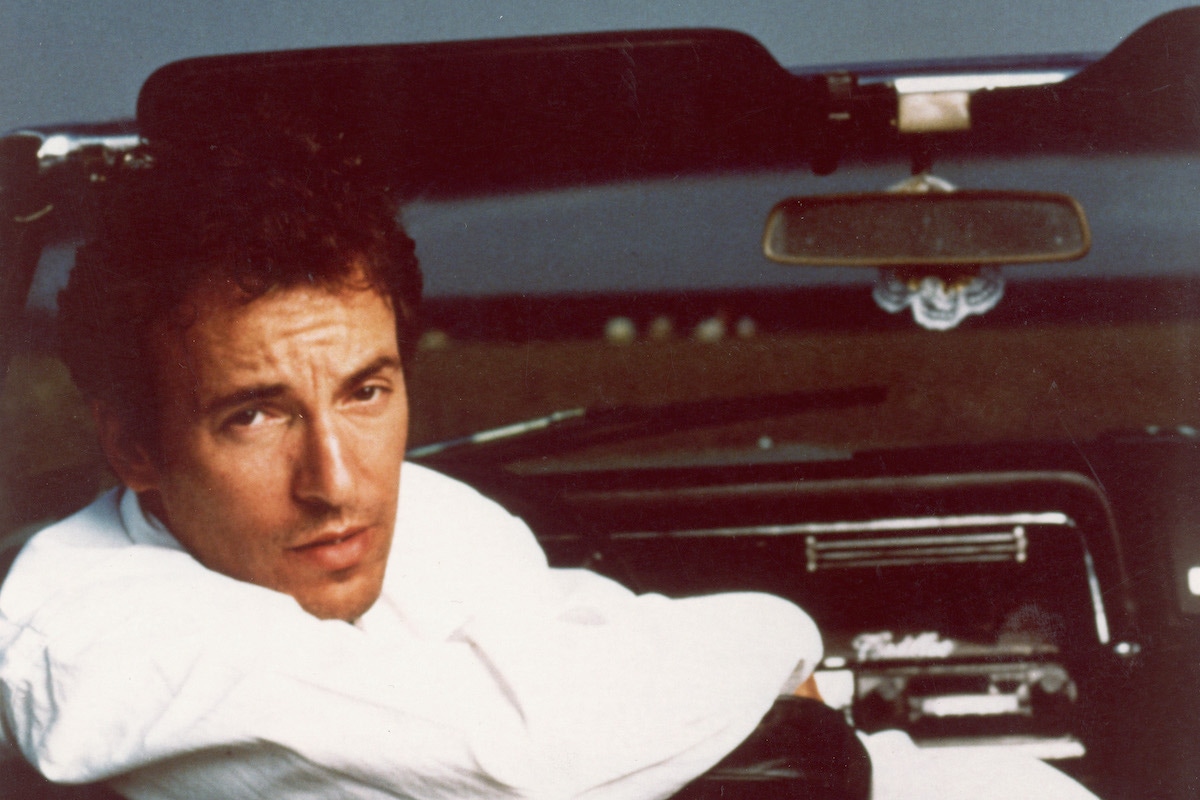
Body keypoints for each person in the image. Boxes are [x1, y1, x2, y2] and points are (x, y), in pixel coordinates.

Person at [0, 133, 868, 800]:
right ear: (135, 448)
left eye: (366, 392)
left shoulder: (435, 517)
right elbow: (519, 758)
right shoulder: (85, 638)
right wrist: (783, 643)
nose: (336, 483)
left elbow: (583, 641)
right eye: (255, 415)